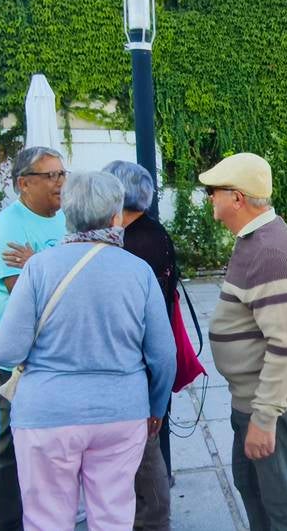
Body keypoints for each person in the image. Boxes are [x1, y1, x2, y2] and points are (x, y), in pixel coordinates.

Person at [0, 171, 176, 530]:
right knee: (113, 516)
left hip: (46, 414)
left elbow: (3, 352)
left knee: (47, 519)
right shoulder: (138, 271)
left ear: (67, 214)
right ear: (116, 216)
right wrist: (155, 408)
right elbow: (164, 355)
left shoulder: (38, 268)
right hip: (121, 411)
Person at [200, 152, 287, 531]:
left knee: (282, 510)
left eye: (213, 191)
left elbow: (285, 346)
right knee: (254, 491)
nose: (209, 198)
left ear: (236, 198)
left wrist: (264, 419)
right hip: (256, 400)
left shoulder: (268, 251)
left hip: (273, 407)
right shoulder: (255, 239)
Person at [0, 145, 68, 531]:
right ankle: (8, 521)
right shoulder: (8, 227)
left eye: (62, 173)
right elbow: (23, 293)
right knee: (12, 440)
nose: (59, 182)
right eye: (50, 175)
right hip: (19, 354)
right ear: (23, 183)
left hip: (58, 348)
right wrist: (52, 274)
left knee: (56, 438)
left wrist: (37, 264)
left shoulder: (66, 218)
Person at [103, 160, 177, 530]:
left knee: (144, 454)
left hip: (140, 359)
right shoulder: (153, 231)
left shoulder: (132, 242)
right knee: (146, 446)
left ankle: (146, 518)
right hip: (150, 354)